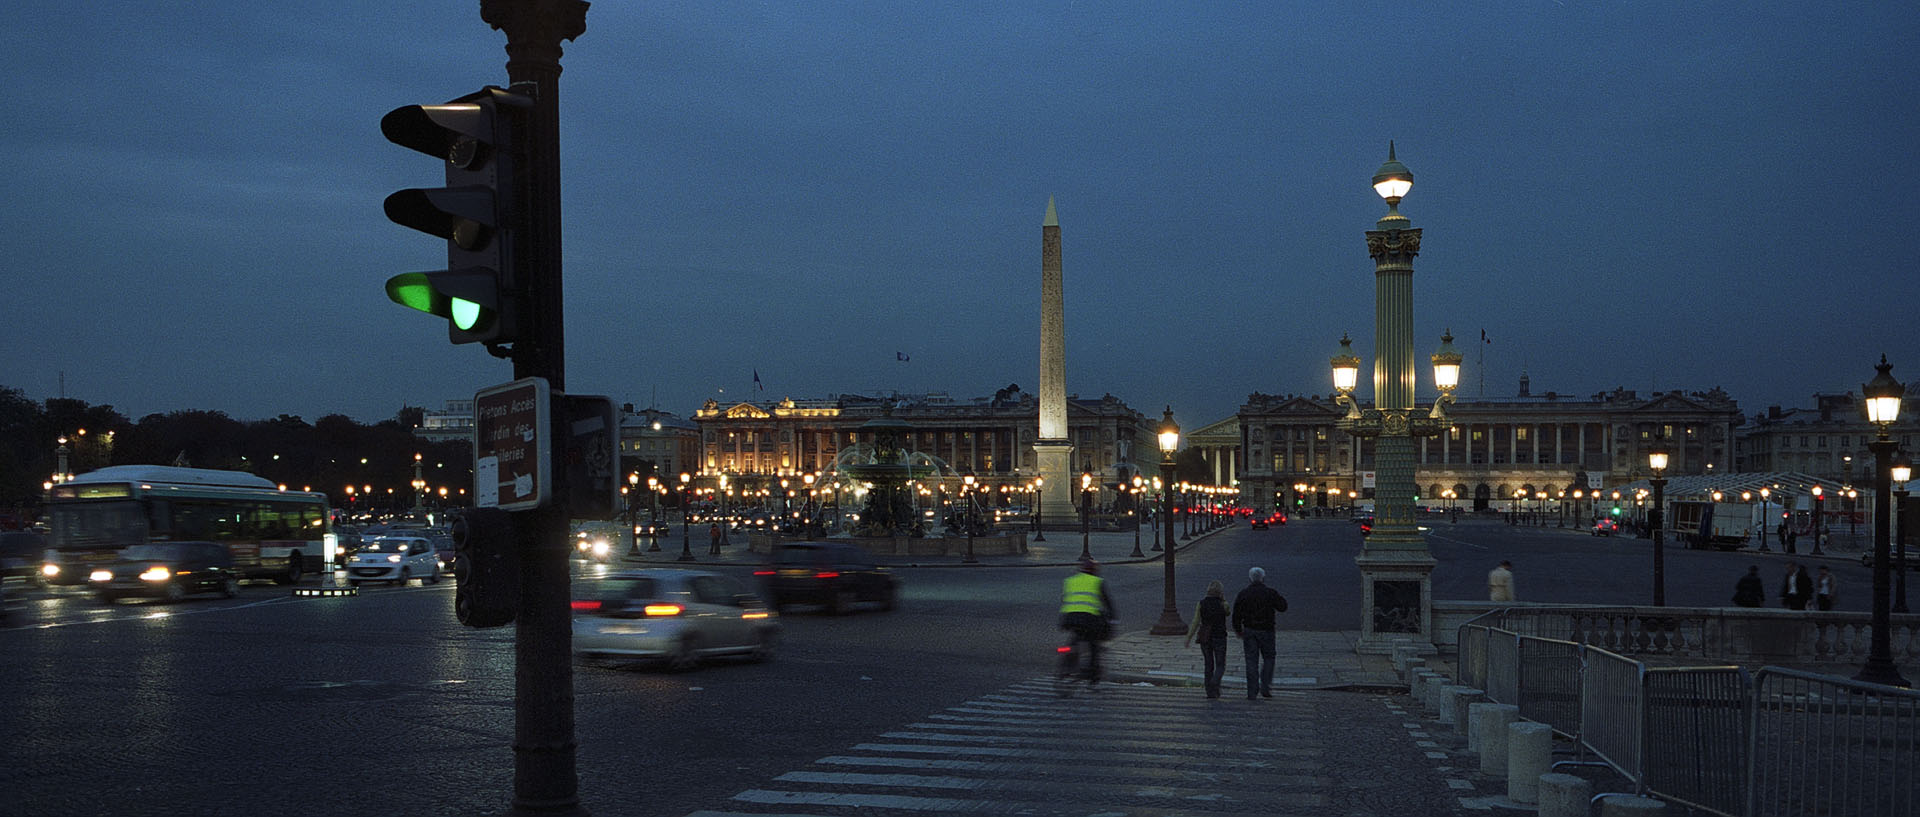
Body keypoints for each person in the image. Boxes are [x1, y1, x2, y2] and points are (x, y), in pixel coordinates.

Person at [1058, 557, 1116, 686]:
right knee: (1093, 644)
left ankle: (1066, 665)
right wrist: (1112, 618)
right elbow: (1107, 602)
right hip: (1088, 619)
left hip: (1069, 618)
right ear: (1095, 571)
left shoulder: (1070, 581)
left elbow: (1065, 600)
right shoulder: (1097, 581)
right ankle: (1093, 677)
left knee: (1075, 639)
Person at [1231, 566, 1287, 700]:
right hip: (1266, 629)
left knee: (1251, 661)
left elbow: (1236, 614)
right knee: (1269, 658)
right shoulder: (1270, 592)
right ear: (1263, 578)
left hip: (1250, 630)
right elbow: (1283, 607)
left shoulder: (1244, 593)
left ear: (1250, 579)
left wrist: (1238, 630)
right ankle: (1265, 686)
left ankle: (1252, 691)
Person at [1184, 580, 1232, 699]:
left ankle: (1209, 691)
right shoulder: (1222, 604)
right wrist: (1223, 600)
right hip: (1219, 636)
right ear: (1220, 592)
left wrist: (1189, 637)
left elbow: (1195, 621)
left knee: (1208, 664)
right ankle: (1215, 682)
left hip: (1205, 637)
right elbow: (1228, 613)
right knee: (1220, 664)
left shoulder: (1201, 603)